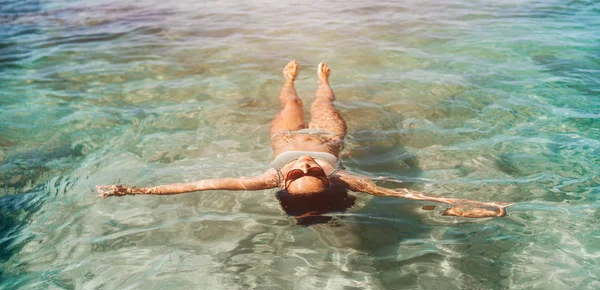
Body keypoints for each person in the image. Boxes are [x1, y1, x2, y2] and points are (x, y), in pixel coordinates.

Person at [97, 61, 513, 220]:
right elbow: (403, 193)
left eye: (300, 171)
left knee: (288, 99)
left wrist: (132, 190)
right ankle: (323, 79)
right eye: (310, 171)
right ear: (330, 182)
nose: (305, 166)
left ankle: (289, 80)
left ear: (285, 182)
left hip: (284, 135)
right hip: (329, 136)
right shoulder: (348, 181)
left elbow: (198, 184)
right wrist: (480, 205)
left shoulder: (267, 179)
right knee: (324, 99)